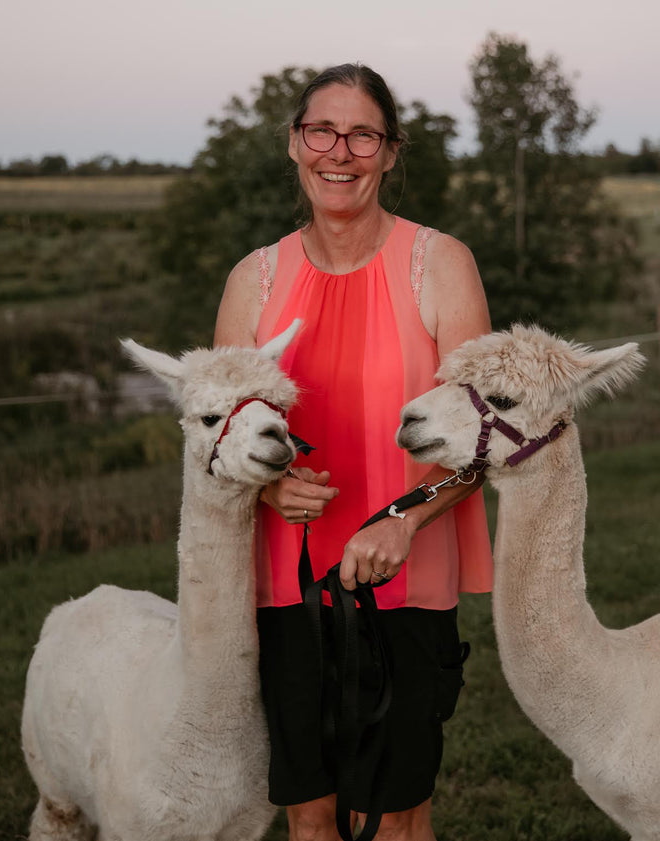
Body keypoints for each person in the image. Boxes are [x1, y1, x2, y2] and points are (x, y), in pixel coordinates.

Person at [214, 63, 493, 841]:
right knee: (311, 819)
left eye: (363, 133)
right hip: (286, 583)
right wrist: (267, 491)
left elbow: (479, 442)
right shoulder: (252, 280)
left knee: (394, 821)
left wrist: (402, 518)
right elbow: (218, 439)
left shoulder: (441, 265)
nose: (341, 152)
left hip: (406, 574)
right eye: (322, 131)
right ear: (295, 145)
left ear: (391, 151)